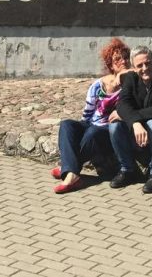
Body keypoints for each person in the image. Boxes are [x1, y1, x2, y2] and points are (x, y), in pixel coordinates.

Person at [52, 38, 132, 193]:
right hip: (92, 124)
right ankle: (71, 171)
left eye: (126, 57)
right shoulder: (98, 85)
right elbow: (87, 113)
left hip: (110, 129)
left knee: (92, 132)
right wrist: (79, 130)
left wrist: (125, 74)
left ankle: (68, 170)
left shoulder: (131, 83)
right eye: (118, 59)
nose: (123, 61)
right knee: (67, 124)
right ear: (110, 65)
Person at [109, 45, 152, 194]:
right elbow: (122, 104)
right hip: (139, 128)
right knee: (114, 126)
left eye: (148, 63)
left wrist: (131, 117)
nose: (145, 68)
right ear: (133, 67)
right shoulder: (130, 78)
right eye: (140, 65)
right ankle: (128, 170)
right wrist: (135, 123)